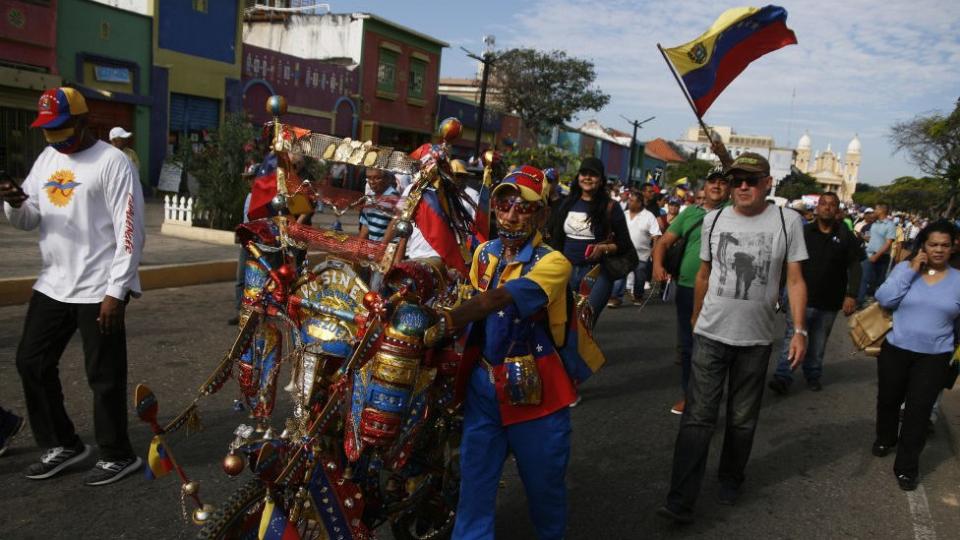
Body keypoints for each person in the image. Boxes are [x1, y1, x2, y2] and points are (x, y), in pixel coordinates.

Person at [424, 165, 601, 540]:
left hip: (537, 395)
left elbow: (499, 298)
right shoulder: (485, 253)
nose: (511, 213)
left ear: (541, 214)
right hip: (483, 389)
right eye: (505, 203)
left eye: (524, 206)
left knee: (544, 491)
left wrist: (445, 321)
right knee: (474, 488)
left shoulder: (553, 262)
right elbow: (473, 303)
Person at [0, 87, 145, 485]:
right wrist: (14, 202)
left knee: (103, 375)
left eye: (61, 128)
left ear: (84, 122)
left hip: (99, 287)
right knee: (31, 361)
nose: (55, 137)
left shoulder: (113, 163)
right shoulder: (47, 159)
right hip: (53, 282)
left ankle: (117, 453)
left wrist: (117, 290)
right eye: (47, 130)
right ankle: (63, 444)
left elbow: (130, 231)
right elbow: (30, 218)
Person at [658, 153, 808, 523]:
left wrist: (799, 330)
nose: (743, 186)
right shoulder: (714, 219)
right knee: (697, 418)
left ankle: (731, 477)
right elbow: (705, 274)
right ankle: (680, 501)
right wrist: (695, 317)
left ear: (767, 184)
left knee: (742, 419)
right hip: (711, 333)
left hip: (756, 340)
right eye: (736, 179)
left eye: (751, 180)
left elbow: (795, 280)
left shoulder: (788, 222)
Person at [873, 220, 960, 491]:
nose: (938, 250)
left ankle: (907, 467)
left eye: (945, 245)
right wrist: (911, 270)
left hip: (935, 356)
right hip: (896, 349)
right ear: (923, 244)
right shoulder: (904, 269)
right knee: (888, 399)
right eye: (933, 244)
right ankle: (886, 437)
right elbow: (884, 299)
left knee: (918, 412)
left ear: (953, 248)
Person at [652, 170, 731, 415]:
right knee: (689, 345)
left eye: (722, 182)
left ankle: (709, 397)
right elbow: (664, 242)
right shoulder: (690, 214)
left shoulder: (734, 211)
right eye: (712, 181)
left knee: (717, 345)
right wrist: (657, 264)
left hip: (722, 290)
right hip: (687, 287)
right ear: (703, 187)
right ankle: (690, 395)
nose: (717, 185)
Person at [768, 192, 863, 394]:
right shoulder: (803, 232)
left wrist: (852, 294)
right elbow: (788, 264)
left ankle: (813, 374)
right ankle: (783, 376)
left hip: (829, 300)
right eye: (824, 204)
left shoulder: (846, 236)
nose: (827, 208)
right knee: (791, 336)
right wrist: (778, 289)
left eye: (832, 205)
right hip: (800, 298)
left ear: (838, 209)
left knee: (818, 343)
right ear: (817, 208)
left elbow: (855, 266)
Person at [547, 157, 632, 323]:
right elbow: (556, 239)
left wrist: (603, 249)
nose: (587, 177)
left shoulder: (611, 207)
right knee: (562, 323)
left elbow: (624, 244)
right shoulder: (567, 204)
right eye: (584, 173)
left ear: (601, 180)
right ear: (578, 177)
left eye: (593, 174)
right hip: (566, 271)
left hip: (597, 274)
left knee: (584, 324)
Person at [609, 189, 661, 307]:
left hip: (642, 254)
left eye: (632, 201)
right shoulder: (624, 214)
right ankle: (615, 298)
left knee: (640, 276)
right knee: (620, 274)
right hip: (624, 252)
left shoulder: (649, 216)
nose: (629, 202)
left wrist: (654, 249)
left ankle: (638, 296)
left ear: (639, 203)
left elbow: (656, 234)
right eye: (629, 200)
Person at [858, 203, 897, 306]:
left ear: (881, 211)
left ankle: (875, 301)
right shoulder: (874, 224)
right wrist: (864, 238)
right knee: (864, 278)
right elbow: (874, 239)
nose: (874, 212)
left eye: (875, 209)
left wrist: (877, 256)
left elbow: (888, 243)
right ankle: (859, 300)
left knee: (878, 281)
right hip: (869, 254)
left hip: (881, 257)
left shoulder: (890, 225)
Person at [358, 167, 400, 242]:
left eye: (377, 178)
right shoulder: (370, 197)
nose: (372, 182)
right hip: (373, 249)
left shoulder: (393, 198)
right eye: (369, 178)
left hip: (387, 250)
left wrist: (380, 250)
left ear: (387, 179)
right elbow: (365, 225)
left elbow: (393, 228)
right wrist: (357, 249)